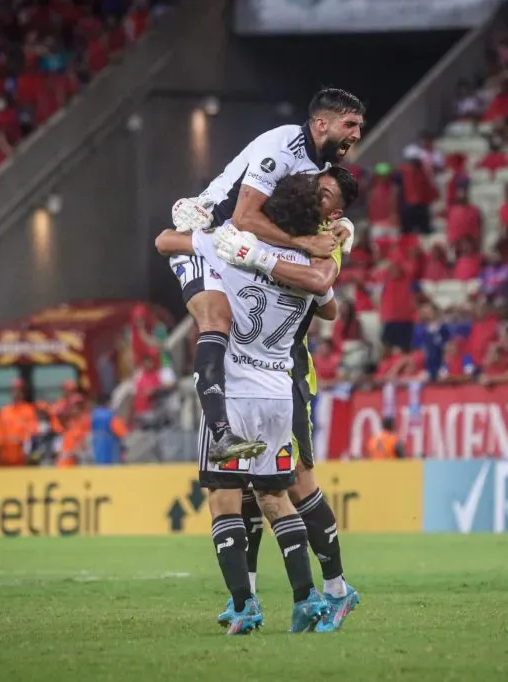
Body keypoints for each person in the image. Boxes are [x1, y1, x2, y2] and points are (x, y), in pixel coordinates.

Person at [155, 174, 337, 636]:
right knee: (277, 498)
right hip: (278, 394)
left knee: (224, 501)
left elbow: (166, 242)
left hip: (235, 389)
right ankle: (308, 598)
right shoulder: (307, 265)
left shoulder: (230, 245)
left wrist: (204, 222)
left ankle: (244, 605)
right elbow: (329, 304)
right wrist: (332, 240)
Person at [169, 88, 365, 463]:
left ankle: (246, 457)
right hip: (208, 237)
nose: (357, 134)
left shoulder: (319, 167)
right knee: (217, 321)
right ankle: (221, 433)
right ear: (322, 124)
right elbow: (243, 218)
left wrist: (346, 226)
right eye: (350, 124)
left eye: (359, 126)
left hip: (239, 253)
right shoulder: (282, 148)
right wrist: (306, 243)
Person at [214, 166, 362, 631]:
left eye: (324, 192)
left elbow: (330, 305)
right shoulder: (291, 234)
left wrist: (329, 250)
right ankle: (248, 596)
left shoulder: (321, 241)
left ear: (333, 209)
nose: (312, 193)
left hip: (286, 373)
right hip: (251, 375)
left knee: (294, 481)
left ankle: (336, 587)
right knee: (252, 488)